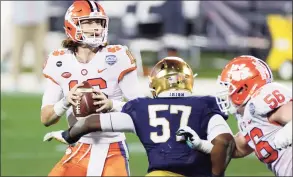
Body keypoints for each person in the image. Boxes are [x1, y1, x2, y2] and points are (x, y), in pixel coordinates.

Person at [44, 56, 235, 177]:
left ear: (156, 84)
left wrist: (67, 135)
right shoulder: (205, 105)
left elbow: (90, 122)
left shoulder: (142, 107)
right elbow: (225, 143)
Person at [41, 1, 143, 176]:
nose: (95, 27)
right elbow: (46, 118)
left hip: (113, 148)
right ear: (71, 25)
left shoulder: (117, 56)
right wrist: (66, 101)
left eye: (99, 22)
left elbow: (142, 109)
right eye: (88, 22)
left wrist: (111, 104)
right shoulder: (59, 61)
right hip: (78, 147)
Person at [177, 55, 292, 176]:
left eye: (230, 88)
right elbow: (237, 148)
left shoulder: (261, 100)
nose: (227, 95)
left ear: (244, 88)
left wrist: (286, 135)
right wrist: (201, 144)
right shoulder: (250, 113)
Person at [11, 1, 49, 89]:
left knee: (40, 51)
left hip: (39, 21)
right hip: (20, 21)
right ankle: (15, 79)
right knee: (17, 51)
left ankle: (39, 79)